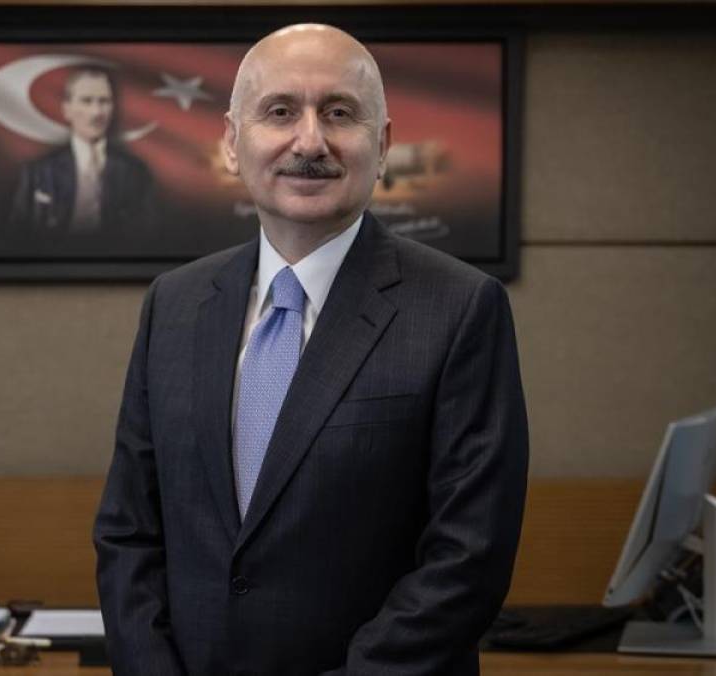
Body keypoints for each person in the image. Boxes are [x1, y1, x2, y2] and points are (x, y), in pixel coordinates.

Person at [93, 24, 528, 676]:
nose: (309, 141)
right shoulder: (174, 305)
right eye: (279, 112)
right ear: (232, 142)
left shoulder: (462, 309)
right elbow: (128, 531)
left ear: (383, 145)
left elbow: (470, 556)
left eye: (339, 113)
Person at [8, 66, 156, 253]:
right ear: (67, 109)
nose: (96, 112)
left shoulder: (135, 172)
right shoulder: (37, 172)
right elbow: (17, 238)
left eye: (104, 101)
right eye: (86, 101)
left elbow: (146, 238)